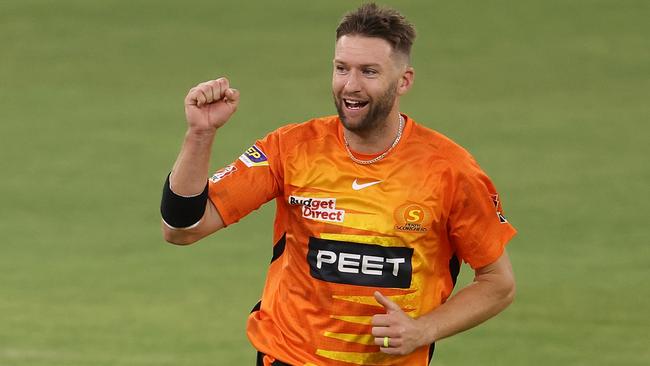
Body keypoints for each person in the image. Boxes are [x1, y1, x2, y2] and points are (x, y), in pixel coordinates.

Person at [160, 3, 516, 365]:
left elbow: (497, 283)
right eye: (341, 68)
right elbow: (183, 228)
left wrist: (423, 329)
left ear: (404, 80)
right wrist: (200, 134)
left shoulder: (450, 170)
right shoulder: (291, 148)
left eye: (369, 72)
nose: (351, 85)